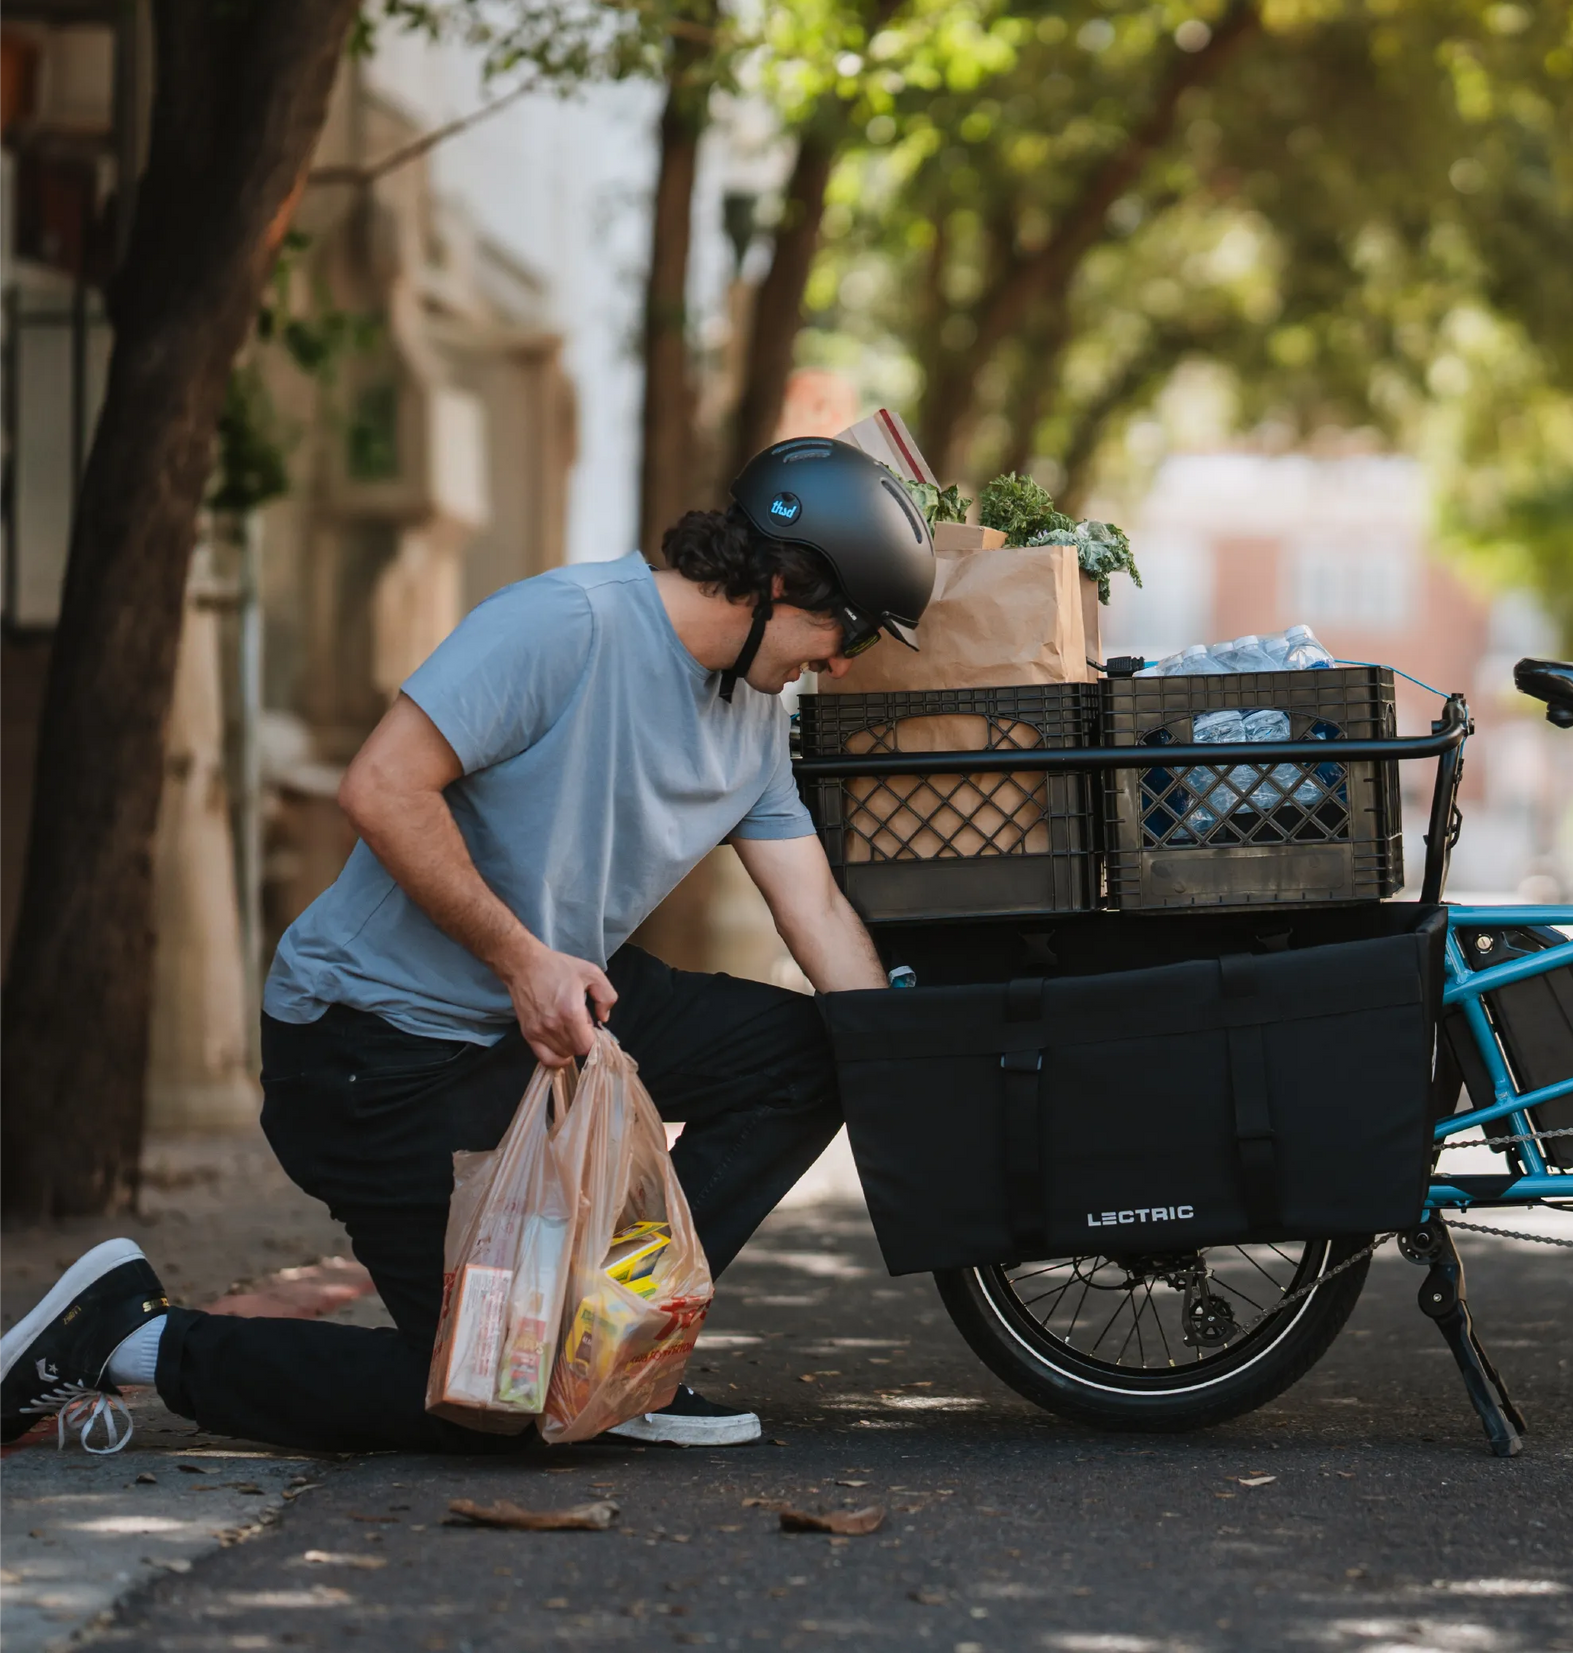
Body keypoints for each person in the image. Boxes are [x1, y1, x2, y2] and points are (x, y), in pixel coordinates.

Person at [0, 440, 935, 1455]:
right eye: (848, 631)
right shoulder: (566, 625)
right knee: (498, 1399)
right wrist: (522, 960)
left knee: (806, 1057)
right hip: (375, 1044)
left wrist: (909, 1068)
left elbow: (817, 912)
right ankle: (130, 1339)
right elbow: (381, 787)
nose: (843, 662)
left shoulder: (750, 714)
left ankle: (614, 1341)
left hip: (549, 1010)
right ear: (784, 581)